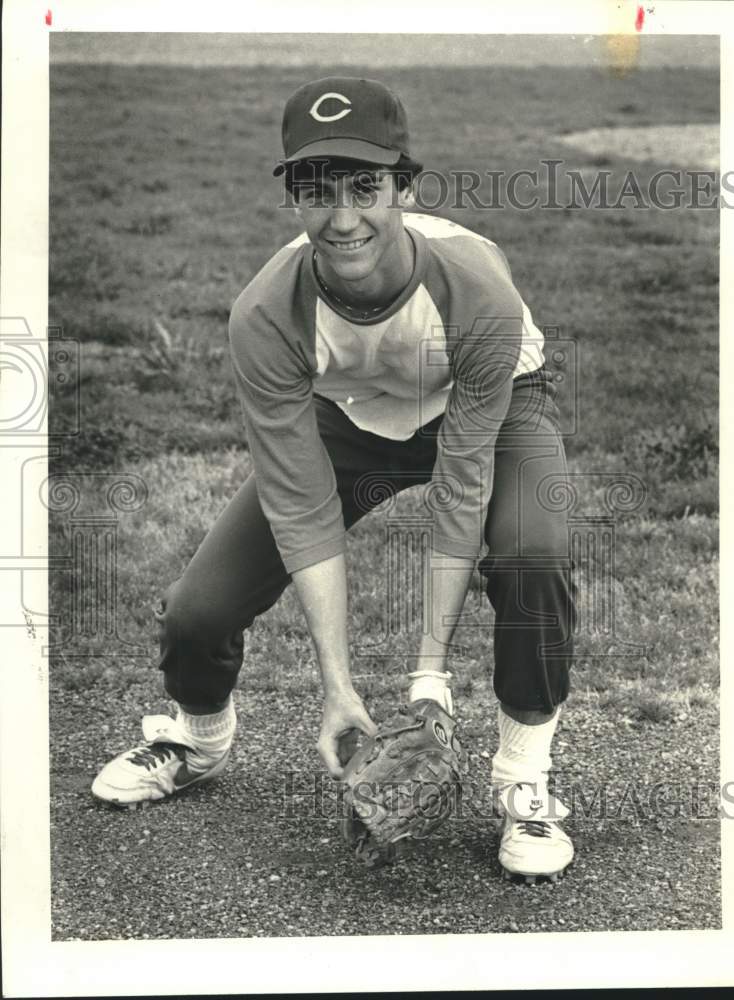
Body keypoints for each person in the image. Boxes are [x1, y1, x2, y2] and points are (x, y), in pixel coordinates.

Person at [92, 76, 577, 882]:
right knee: (197, 608)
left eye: (366, 186)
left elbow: (462, 484)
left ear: (405, 188)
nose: (343, 216)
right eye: (317, 190)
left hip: (490, 405)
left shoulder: (477, 288)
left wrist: (430, 676)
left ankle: (522, 777)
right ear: (292, 198)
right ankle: (198, 739)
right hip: (351, 418)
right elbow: (301, 509)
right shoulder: (265, 314)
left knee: (533, 557)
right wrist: (337, 688)